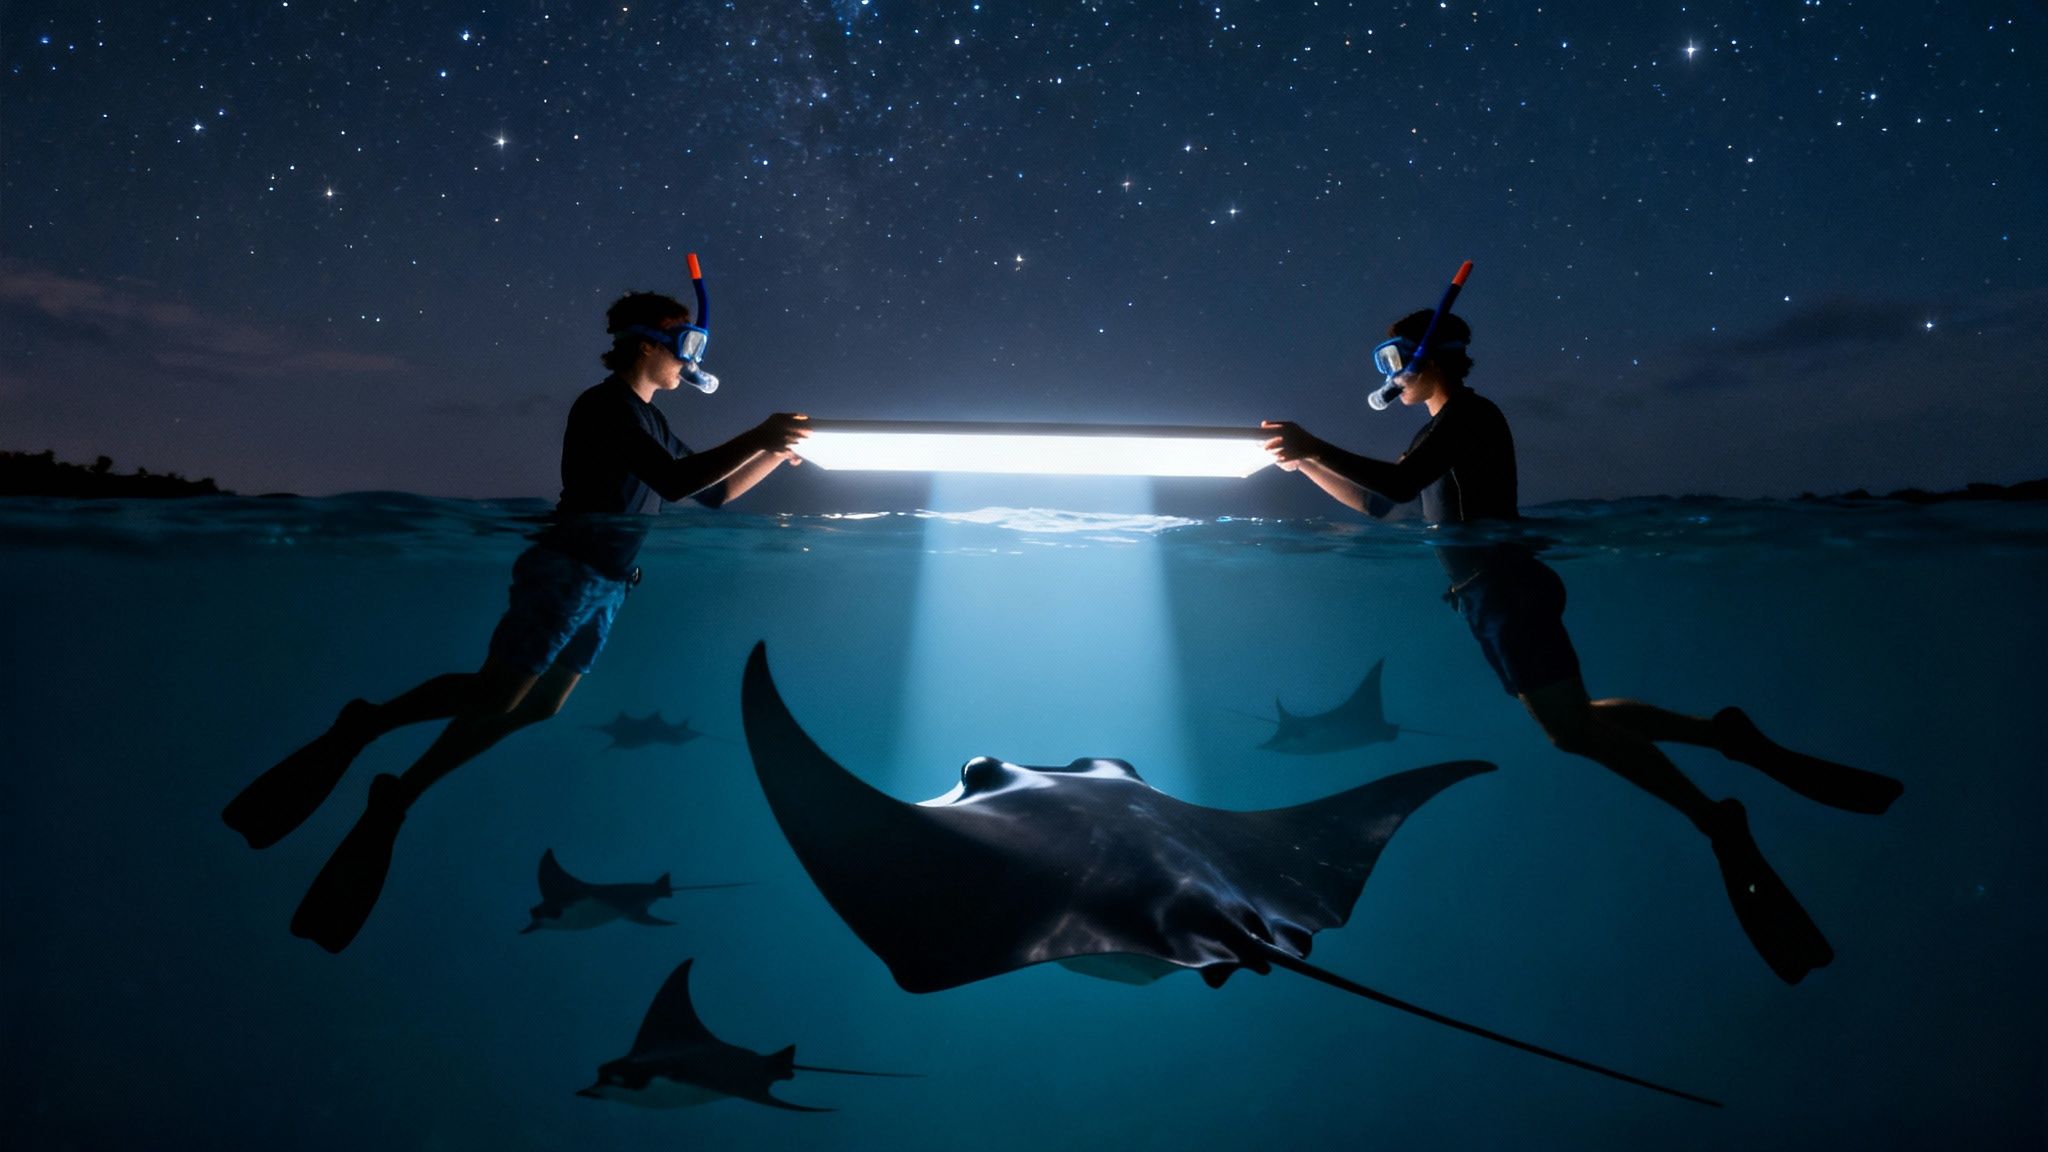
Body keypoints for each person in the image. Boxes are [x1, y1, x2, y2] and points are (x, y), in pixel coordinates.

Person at [1261, 306, 1901, 985]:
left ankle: (1716, 819)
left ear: (1428, 357)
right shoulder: (1437, 431)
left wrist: (1315, 441)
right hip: (1485, 600)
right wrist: (1304, 462)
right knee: (1579, 717)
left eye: (1394, 360)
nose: (1391, 377)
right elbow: (1377, 506)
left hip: (1507, 590)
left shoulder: (1471, 419)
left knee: (1567, 732)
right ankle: (1724, 736)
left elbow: (1395, 484)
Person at [223, 290, 809, 953]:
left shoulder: (654, 421)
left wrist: (772, 454)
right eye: (686, 342)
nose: (691, 360)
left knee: (541, 706)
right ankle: (368, 722)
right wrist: (757, 433)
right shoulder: (605, 406)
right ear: (647, 343)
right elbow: (674, 484)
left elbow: (716, 491)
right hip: (565, 569)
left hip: (611, 585)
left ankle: (400, 792)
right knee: (497, 693)